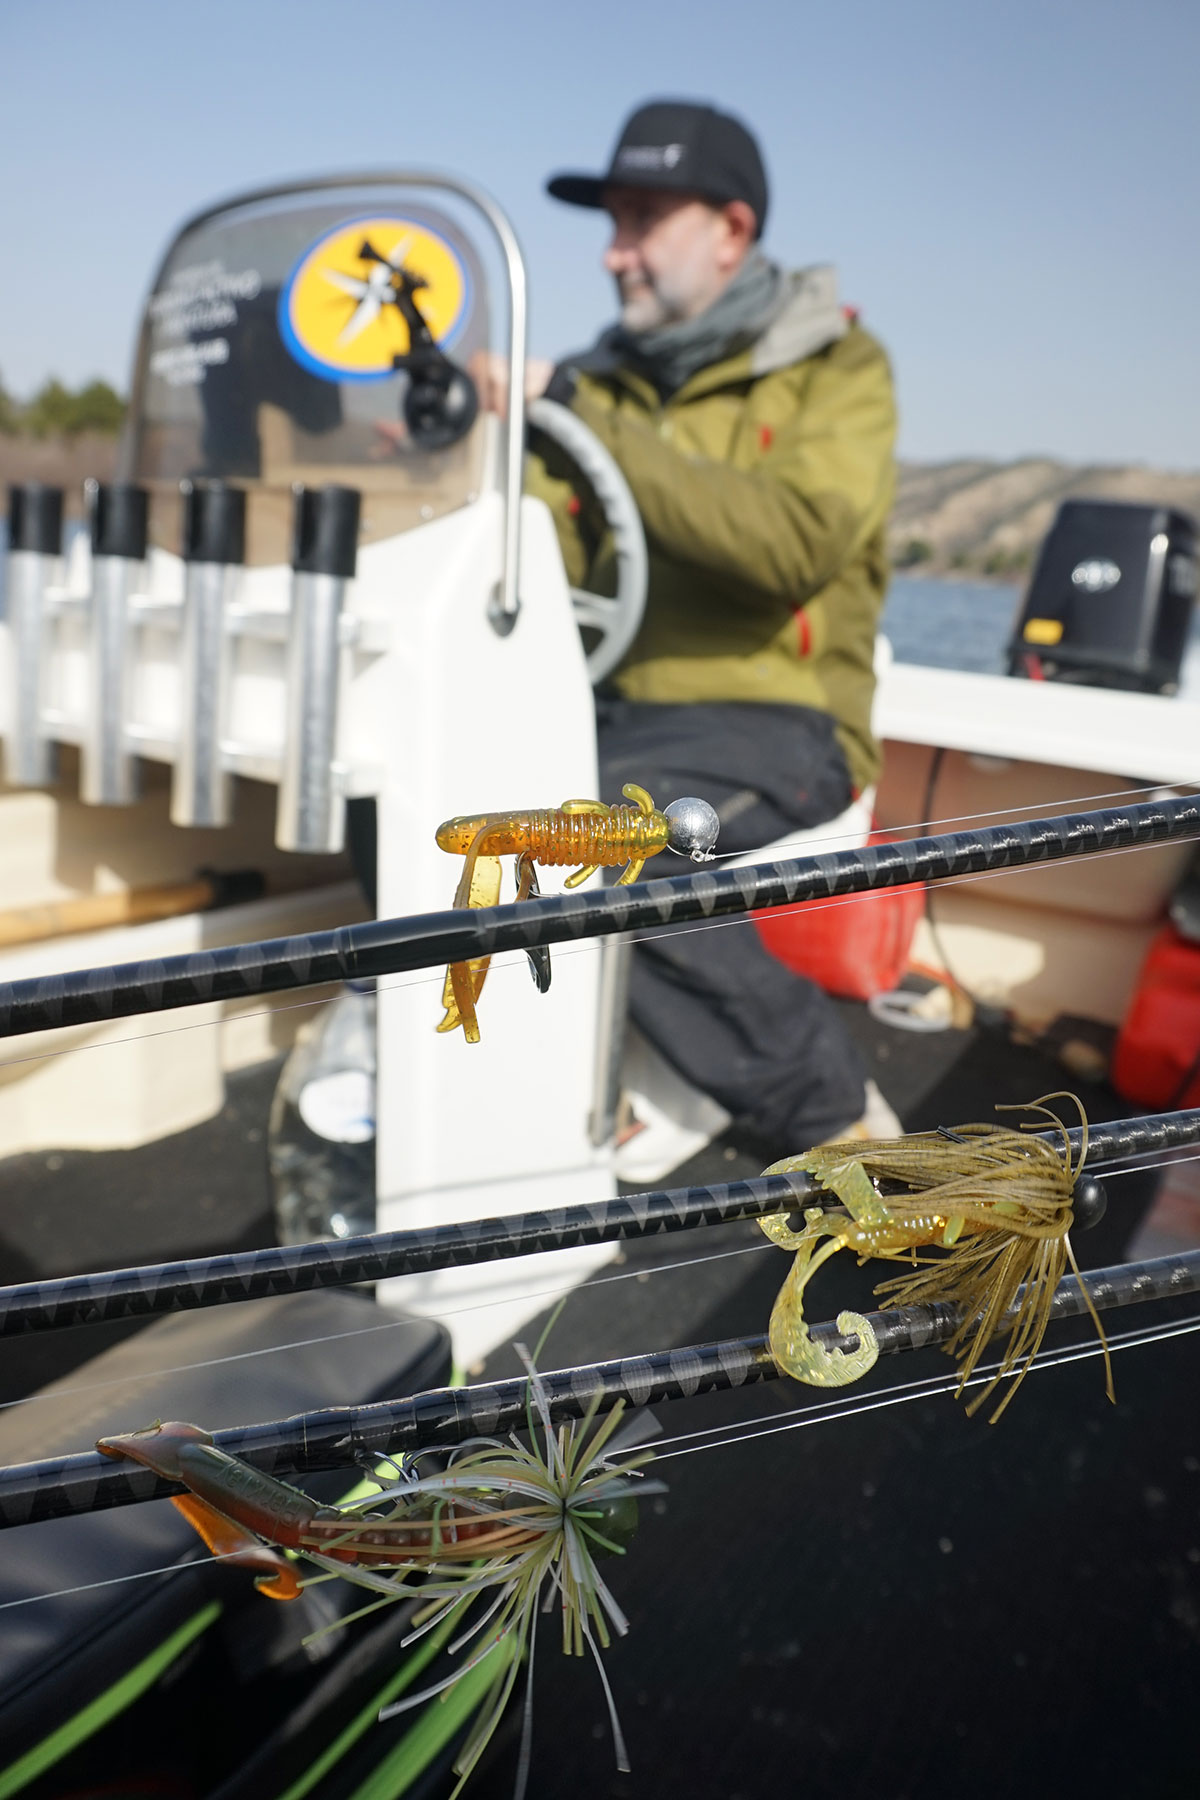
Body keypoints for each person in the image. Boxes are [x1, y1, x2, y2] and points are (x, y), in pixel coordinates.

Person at [521, 98, 900, 1159]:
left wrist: (576, 418)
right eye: (612, 222)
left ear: (731, 230)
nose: (612, 253)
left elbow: (791, 543)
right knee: (447, 795)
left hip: (786, 720)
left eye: (641, 218)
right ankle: (541, 1070)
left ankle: (838, 1125)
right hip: (623, 713)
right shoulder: (596, 383)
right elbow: (540, 554)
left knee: (592, 838)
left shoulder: (840, 368)